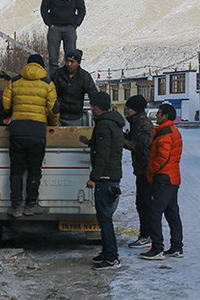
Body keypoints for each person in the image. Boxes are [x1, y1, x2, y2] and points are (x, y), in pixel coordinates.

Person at [2, 54, 59, 218]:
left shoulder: (14, 81)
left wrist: (11, 111)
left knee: (16, 170)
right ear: (42, 66)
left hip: (17, 130)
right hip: (37, 131)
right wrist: (53, 125)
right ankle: (31, 205)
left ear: (27, 65)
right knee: (34, 170)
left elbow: (5, 105)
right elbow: (54, 109)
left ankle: (16, 206)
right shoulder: (47, 83)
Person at [79, 91, 124, 270]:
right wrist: (90, 142)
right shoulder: (112, 123)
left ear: (101, 107)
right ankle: (107, 253)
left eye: (94, 106)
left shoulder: (104, 125)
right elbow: (106, 145)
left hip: (105, 179)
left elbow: (103, 154)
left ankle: (112, 258)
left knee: (104, 219)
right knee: (104, 218)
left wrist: (94, 178)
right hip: (110, 177)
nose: (91, 109)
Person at [140, 103, 183, 260]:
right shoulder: (173, 131)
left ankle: (157, 248)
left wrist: (151, 169)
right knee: (172, 213)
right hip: (173, 177)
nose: (156, 116)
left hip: (163, 178)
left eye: (159, 113)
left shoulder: (165, 134)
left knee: (154, 212)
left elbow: (163, 157)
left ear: (165, 116)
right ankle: (176, 247)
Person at [40, 0, 86, 74]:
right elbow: (44, 8)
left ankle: (70, 80)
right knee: (53, 59)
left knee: (71, 58)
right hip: (54, 27)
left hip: (69, 28)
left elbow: (82, 10)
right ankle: (54, 82)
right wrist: (50, 24)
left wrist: (74, 25)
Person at [122, 94, 154, 249]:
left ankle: (147, 236)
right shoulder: (136, 123)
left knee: (144, 204)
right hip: (141, 170)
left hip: (146, 171)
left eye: (128, 108)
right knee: (141, 203)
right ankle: (146, 235)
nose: (126, 110)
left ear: (134, 109)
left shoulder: (143, 124)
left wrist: (122, 141)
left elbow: (140, 146)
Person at [51, 48, 97, 126]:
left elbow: (93, 93)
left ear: (78, 63)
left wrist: (97, 108)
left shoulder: (84, 77)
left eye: (72, 62)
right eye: (67, 61)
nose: (69, 64)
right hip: (58, 117)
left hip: (76, 118)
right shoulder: (58, 74)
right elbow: (50, 93)